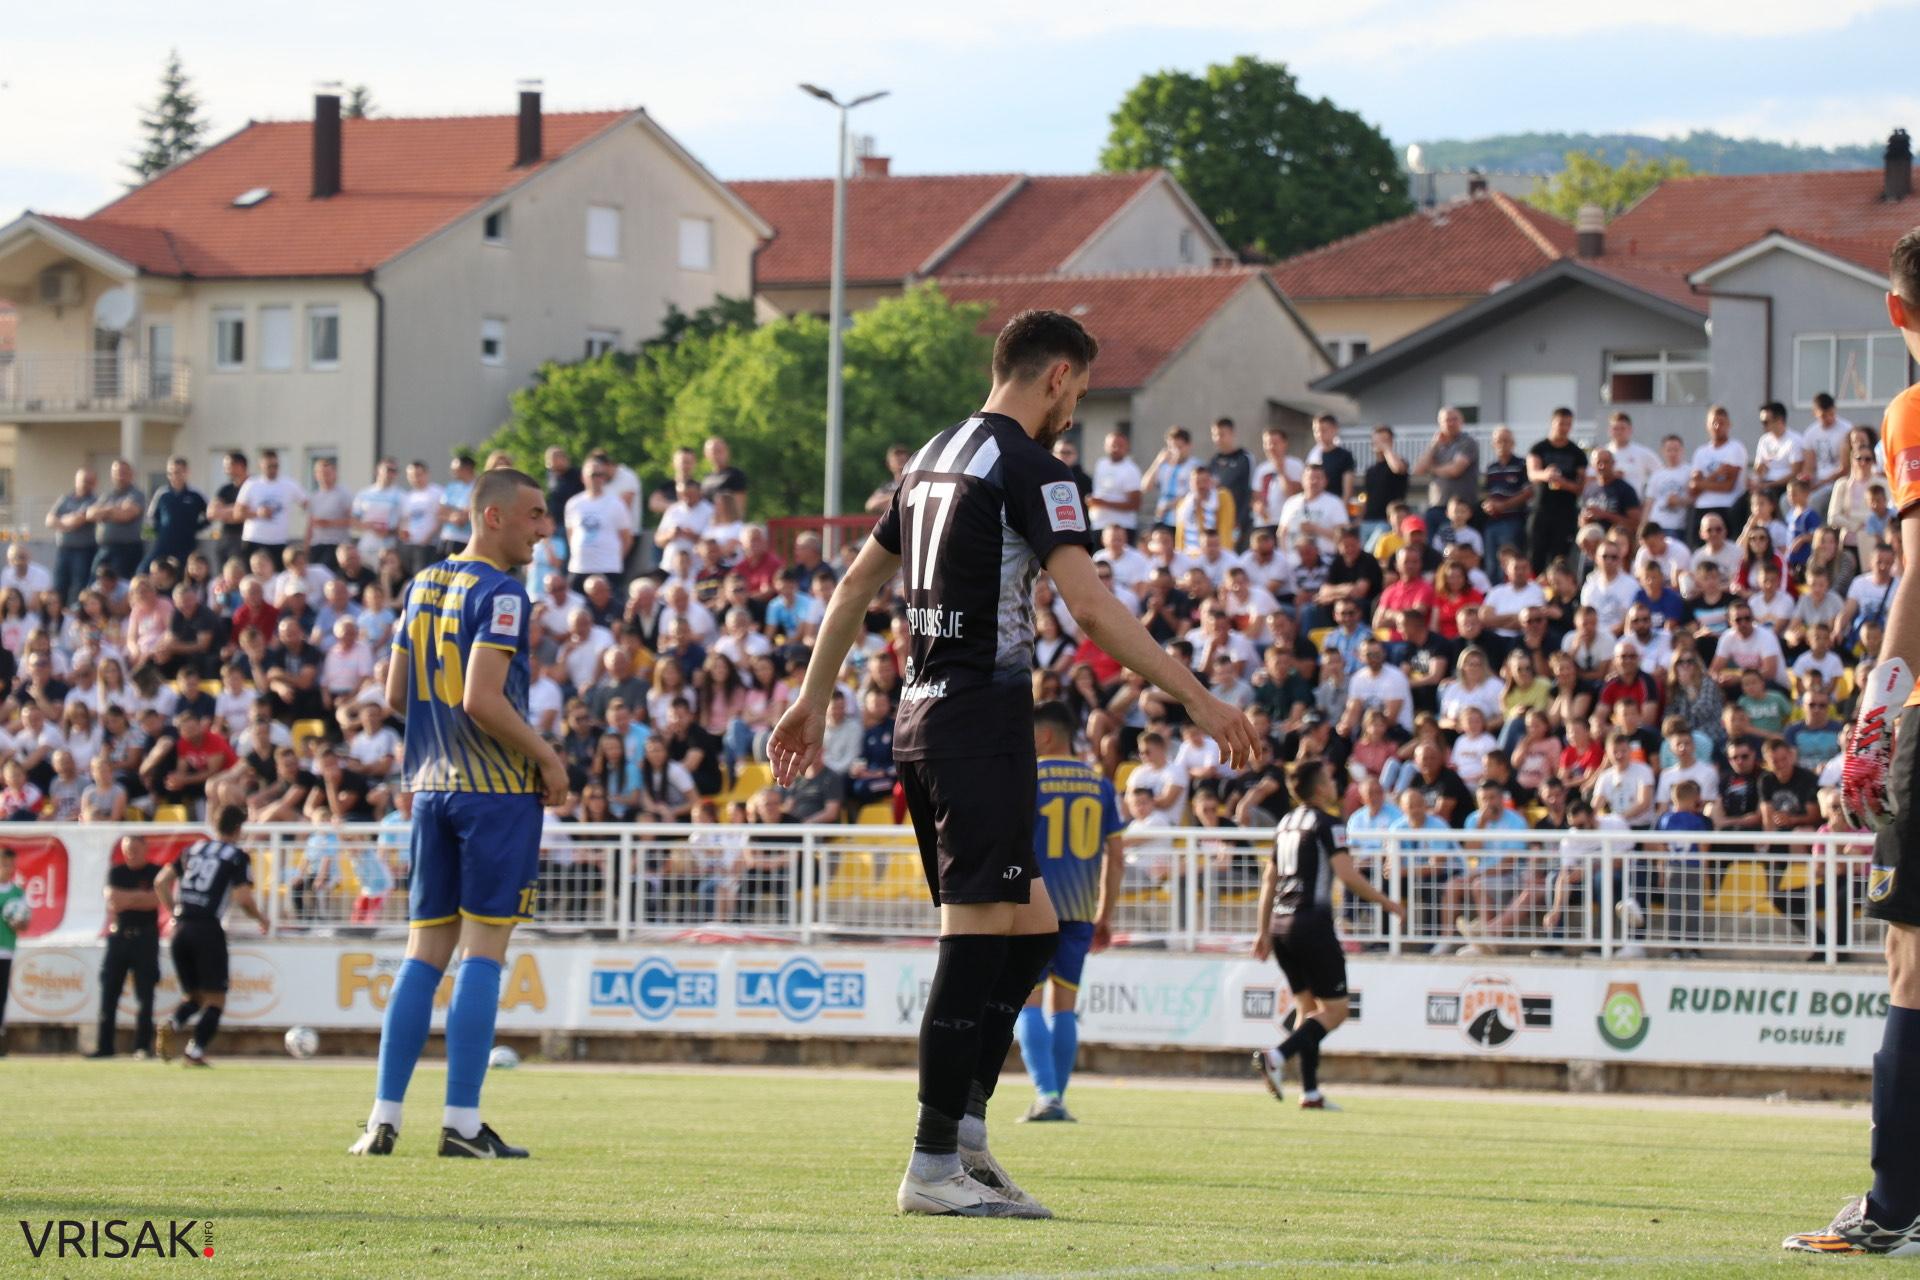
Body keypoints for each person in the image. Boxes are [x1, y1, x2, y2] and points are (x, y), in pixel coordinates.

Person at [768, 308, 1254, 1219]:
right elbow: (1093, 609)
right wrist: (1199, 697)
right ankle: (930, 1164)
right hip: (981, 728)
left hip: (924, 725)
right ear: (1060, 377)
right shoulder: (1036, 468)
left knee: (1031, 932)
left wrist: (812, 694)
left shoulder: (931, 457)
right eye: (1079, 392)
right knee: (976, 938)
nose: (1073, 412)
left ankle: (969, 1138)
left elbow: (853, 586)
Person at [350, 467, 567, 1160]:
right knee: (483, 953)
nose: (544, 529)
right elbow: (483, 698)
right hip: (496, 794)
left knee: (423, 955)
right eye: (534, 515)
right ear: (493, 517)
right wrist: (548, 758)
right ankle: (464, 1125)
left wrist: (439, 741)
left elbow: (392, 692)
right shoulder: (503, 593)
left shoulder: (423, 585)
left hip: (431, 788)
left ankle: (382, 1118)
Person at [1796, 226, 1920, 1255]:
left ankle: (1892, 1206)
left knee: (1911, 958)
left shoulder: (1913, 411)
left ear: (1895, 310)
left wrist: (1877, 711)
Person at [1252, 758, 1405, 1109]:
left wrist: (1262, 931)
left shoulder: (1287, 823)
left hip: (1280, 925)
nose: (1335, 784)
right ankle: (1277, 1055)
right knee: (1336, 1012)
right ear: (1320, 788)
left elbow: (1269, 880)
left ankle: (1311, 1092)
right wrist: (1388, 903)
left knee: (1309, 1012)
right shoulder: (1328, 823)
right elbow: (1347, 875)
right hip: (1312, 924)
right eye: (1330, 779)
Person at [1015, 701, 1124, 1123]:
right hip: (1079, 911)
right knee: (1064, 1006)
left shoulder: (1027, 779)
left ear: (1044, 736)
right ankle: (1057, 1097)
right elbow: (1116, 858)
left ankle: (1046, 1095)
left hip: (1032, 908)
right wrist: (1105, 914)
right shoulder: (1100, 785)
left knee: (1029, 1003)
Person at [153, 806, 268, 1067]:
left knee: (194, 997)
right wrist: (260, 918)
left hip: (180, 930)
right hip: (207, 929)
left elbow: (160, 882)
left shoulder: (192, 850)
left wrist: (175, 913)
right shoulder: (236, 856)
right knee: (216, 998)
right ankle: (195, 1052)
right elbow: (242, 897)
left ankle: (172, 1022)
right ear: (239, 829)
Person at [89, 834, 162, 1059]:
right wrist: (141, 896)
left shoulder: (155, 872)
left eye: (135, 849)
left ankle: (142, 1046)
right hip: (119, 937)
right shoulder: (116, 872)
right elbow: (114, 901)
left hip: (146, 939)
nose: (131, 854)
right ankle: (104, 1047)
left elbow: (154, 900)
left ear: (145, 849)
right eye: (127, 849)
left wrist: (130, 898)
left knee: (145, 995)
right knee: (109, 992)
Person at [1526, 408, 1586, 572]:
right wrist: (1546, 475)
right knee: (1535, 555)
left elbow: (1580, 487)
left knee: (1559, 558)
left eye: (1568, 424)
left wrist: (1563, 483)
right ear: (1552, 423)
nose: (1564, 427)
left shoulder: (1577, 453)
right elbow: (1532, 473)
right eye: (1561, 423)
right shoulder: (1539, 448)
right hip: (1541, 511)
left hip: (1565, 514)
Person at [235, 448, 307, 570]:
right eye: (269, 466)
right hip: (254, 540)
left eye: (276, 466)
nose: (273, 469)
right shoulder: (252, 484)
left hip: (278, 541)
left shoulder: (288, 484)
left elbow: (307, 504)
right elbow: (237, 513)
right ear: (261, 465)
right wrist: (257, 513)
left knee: (277, 578)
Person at [0, 847, 24, 1052]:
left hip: (5, 950)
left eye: (10, 865)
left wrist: (18, 922)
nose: (8, 869)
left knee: (1, 996)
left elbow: (24, 925)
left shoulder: (17, 893)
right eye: (4, 865)